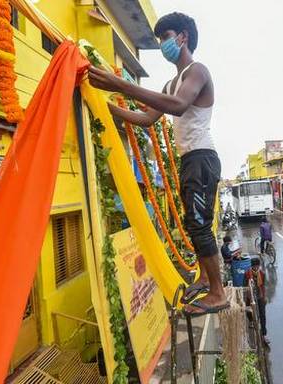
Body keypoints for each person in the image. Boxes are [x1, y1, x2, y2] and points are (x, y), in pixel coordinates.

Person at [89, 12, 227, 314]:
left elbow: (177, 108)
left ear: (183, 38)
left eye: (166, 37)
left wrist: (121, 85)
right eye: (160, 39)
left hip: (202, 157)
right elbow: (147, 119)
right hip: (189, 159)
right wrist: (106, 106)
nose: (163, 44)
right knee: (194, 223)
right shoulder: (170, 84)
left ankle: (218, 293)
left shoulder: (196, 71)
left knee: (200, 225)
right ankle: (204, 277)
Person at [244, 257, 268, 342]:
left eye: (257, 266)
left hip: (260, 295)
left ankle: (264, 334)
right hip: (250, 295)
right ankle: (250, 321)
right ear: (252, 266)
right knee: (249, 310)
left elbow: (263, 286)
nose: (256, 268)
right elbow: (245, 286)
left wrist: (264, 297)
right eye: (254, 266)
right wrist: (247, 296)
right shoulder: (247, 273)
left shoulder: (262, 274)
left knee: (262, 315)